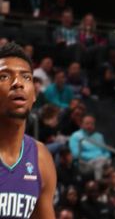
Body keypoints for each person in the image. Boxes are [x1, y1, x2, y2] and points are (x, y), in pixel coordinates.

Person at [0, 42, 57, 218]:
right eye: (4, 77)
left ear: (34, 96)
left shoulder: (41, 158)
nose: (18, 83)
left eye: (26, 77)